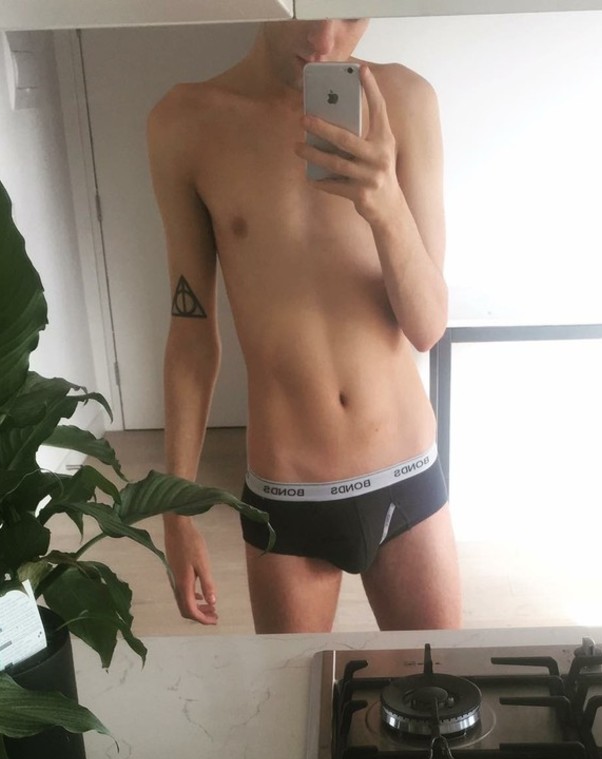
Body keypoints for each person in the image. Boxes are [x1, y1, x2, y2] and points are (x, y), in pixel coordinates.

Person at [147, 19, 461, 634]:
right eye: (303, 12)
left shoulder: (407, 102)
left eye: (348, 13)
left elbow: (427, 327)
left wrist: (386, 207)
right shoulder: (185, 122)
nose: (322, 40)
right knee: (296, 694)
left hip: (406, 472)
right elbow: (191, 334)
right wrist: (176, 510)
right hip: (286, 495)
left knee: (436, 690)